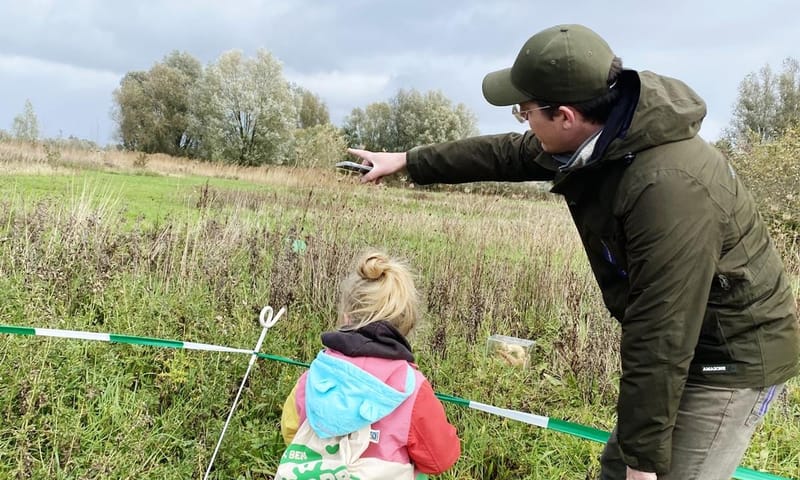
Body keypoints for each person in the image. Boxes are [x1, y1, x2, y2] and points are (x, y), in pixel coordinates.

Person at [347, 24, 799, 480]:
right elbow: (506, 154)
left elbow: (662, 332)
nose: (524, 124)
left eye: (525, 113)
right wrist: (408, 161)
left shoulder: (668, 189)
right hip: (678, 341)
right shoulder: (605, 137)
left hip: (727, 356)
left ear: (565, 116)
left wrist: (642, 464)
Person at [277, 250, 460, 479]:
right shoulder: (413, 390)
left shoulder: (314, 376)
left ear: (346, 316)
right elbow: (440, 458)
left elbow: (291, 431)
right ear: (407, 325)